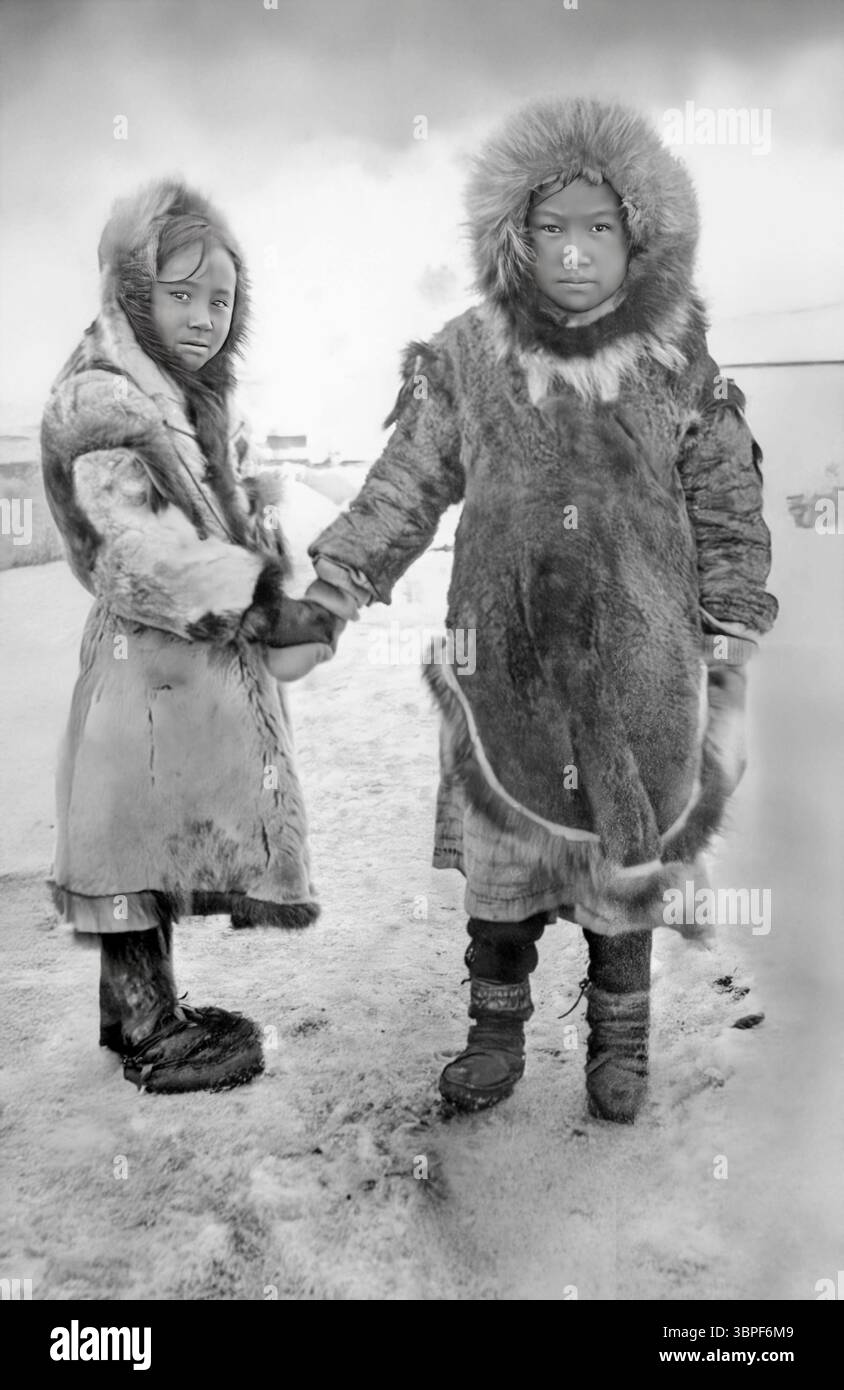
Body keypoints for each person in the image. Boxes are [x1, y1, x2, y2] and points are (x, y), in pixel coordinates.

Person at [304, 98, 778, 1122]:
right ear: (514, 238)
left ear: (636, 235)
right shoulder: (468, 359)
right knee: (501, 883)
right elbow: (402, 487)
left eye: (597, 228)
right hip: (502, 678)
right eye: (550, 228)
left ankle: (619, 1041)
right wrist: (334, 587)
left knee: (621, 879)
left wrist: (731, 620)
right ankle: (494, 1032)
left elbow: (728, 496)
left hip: (641, 681)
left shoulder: (674, 359)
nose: (573, 252)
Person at [41, 178, 340, 1094]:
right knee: (127, 835)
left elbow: (231, 505)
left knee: (156, 835)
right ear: (133, 292)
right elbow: (127, 546)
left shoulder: (196, 401)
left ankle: (140, 1009)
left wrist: (268, 544)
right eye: (181, 295)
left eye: (221, 298)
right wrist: (247, 598)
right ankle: (146, 1029)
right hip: (141, 673)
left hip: (185, 674)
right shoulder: (103, 401)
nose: (206, 317)